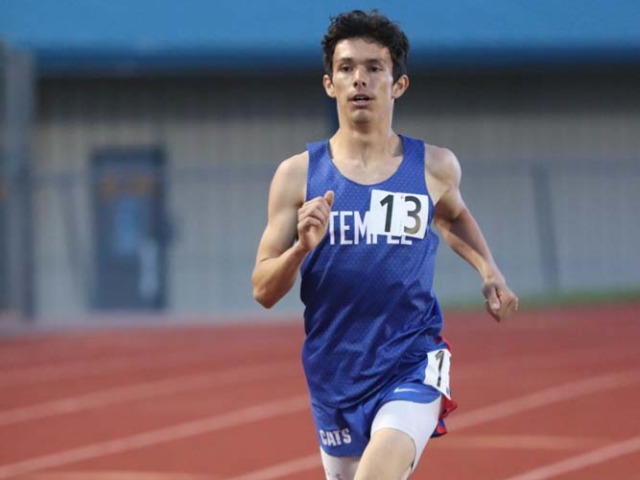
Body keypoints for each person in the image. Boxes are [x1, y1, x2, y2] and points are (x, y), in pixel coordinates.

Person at [252, 9, 518, 480]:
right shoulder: (298, 176)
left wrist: (489, 271)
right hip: (335, 375)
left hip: (412, 361)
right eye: (346, 68)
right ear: (329, 83)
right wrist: (300, 249)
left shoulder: (434, 167)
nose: (360, 79)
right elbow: (263, 290)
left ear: (398, 85)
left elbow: (452, 216)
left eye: (374, 67)